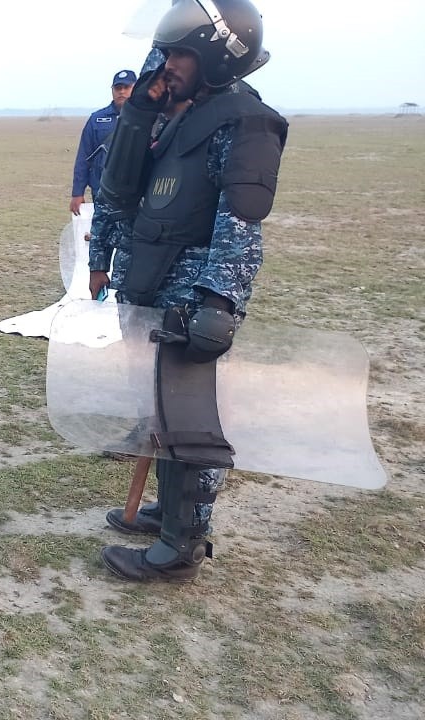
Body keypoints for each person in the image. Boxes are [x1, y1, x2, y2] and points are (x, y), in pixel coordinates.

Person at [86, 0, 286, 581]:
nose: (166, 65)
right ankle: (166, 515)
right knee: (157, 412)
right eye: (166, 52)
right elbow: (128, 193)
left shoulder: (244, 122)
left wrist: (218, 302)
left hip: (189, 296)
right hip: (147, 280)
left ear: (216, 59)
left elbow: (240, 224)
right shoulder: (174, 111)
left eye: (179, 54)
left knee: (189, 421)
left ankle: (182, 546)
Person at [69, 69, 135, 216]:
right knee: (101, 235)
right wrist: (77, 193)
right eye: (118, 88)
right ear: (112, 90)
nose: (122, 92)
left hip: (134, 193)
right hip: (102, 192)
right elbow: (84, 157)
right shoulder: (96, 119)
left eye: (126, 87)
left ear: (135, 88)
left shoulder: (147, 118)